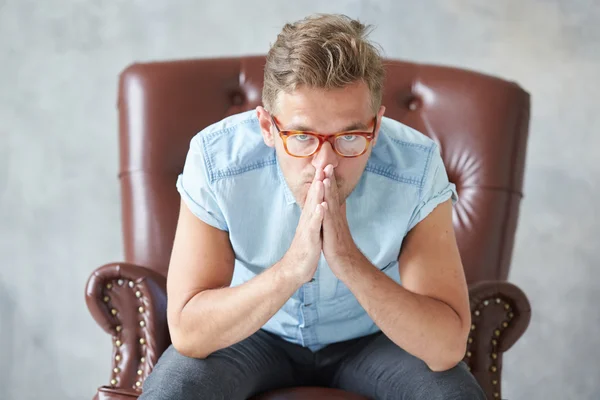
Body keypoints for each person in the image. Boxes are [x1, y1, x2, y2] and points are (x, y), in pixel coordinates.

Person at [140, 13, 486, 400]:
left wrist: (349, 262)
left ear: (376, 127)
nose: (326, 164)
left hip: (373, 338)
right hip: (251, 333)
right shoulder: (217, 161)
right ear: (268, 128)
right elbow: (188, 331)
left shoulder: (417, 167)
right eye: (302, 136)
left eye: (350, 136)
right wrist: (291, 270)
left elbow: (446, 348)